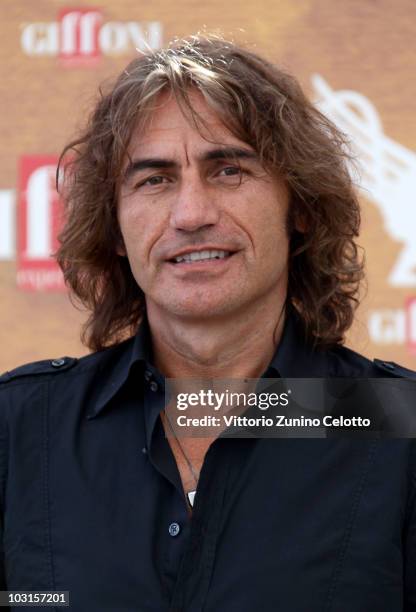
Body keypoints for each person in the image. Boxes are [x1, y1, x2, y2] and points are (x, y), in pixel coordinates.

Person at [1, 34, 415, 611]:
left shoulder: (398, 428)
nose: (191, 214)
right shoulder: (21, 429)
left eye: (227, 171)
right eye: (154, 179)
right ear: (115, 228)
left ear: (298, 206)